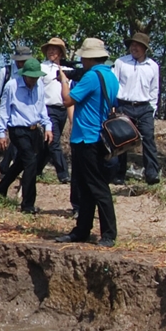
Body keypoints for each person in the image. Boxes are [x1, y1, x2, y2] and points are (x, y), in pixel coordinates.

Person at [55, 37, 119, 247]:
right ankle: (82, 229)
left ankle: (108, 233)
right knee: (86, 186)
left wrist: (64, 80)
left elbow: (67, 100)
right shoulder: (110, 76)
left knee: (97, 186)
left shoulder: (91, 77)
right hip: (97, 136)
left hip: (87, 138)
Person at [0, 58, 51, 213]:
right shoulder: (12, 86)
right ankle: (28, 204)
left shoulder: (39, 86)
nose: (34, 80)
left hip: (33, 129)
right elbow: (4, 110)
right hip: (17, 129)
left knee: (20, 163)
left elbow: (42, 107)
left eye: (36, 77)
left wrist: (48, 126)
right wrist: (1, 133)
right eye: (31, 77)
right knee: (31, 162)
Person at [109, 30, 161, 185]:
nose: (134, 48)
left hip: (144, 107)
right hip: (124, 105)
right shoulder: (121, 63)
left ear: (145, 48)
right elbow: (114, 84)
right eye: (132, 45)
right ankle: (119, 174)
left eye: (138, 46)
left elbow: (154, 89)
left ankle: (152, 174)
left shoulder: (153, 66)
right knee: (121, 140)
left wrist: (152, 109)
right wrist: (113, 105)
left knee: (148, 139)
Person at [0, 47, 33, 179]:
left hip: (28, 118)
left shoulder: (33, 75)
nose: (22, 63)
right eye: (20, 60)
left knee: (21, 152)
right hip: (14, 116)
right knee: (26, 156)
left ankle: (5, 171)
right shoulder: (7, 73)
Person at [39, 37, 72, 186]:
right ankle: (63, 173)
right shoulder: (41, 68)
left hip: (62, 109)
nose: (52, 51)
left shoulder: (68, 70)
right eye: (50, 49)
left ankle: (36, 169)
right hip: (48, 108)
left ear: (61, 52)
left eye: (55, 49)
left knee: (48, 142)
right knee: (54, 141)